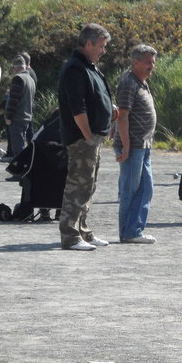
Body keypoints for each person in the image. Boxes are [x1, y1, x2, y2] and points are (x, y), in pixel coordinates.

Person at [57, 23, 115, 251]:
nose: (103, 51)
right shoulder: (75, 68)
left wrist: (110, 110)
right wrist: (88, 135)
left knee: (88, 186)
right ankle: (70, 237)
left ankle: (83, 232)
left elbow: (94, 97)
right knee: (77, 187)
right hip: (82, 139)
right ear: (88, 43)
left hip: (92, 138)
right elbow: (77, 108)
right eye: (101, 46)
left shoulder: (89, 66)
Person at [114, 44, 158, 244]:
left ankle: (134, 230)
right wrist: (126, 145)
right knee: (129, 191)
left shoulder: (141, 81)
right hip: (133, 146)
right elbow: (122, 116)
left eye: (153, 61)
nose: (152, 65)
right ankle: (129, 232)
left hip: (143, 145)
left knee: (146, 189)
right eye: (148, 62)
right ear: (136, 62)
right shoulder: (129, 83)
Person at [4, 56, 36, 160]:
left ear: (14, 68)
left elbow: (14, 100)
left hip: (17, 118)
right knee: (21, 146)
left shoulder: (18, 79)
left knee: (18, 149)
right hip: (27, 116)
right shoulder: (30, 79)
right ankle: (23, 172)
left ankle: (19, 174)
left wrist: (8, 116)